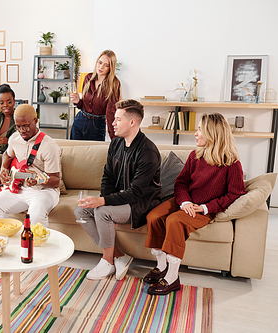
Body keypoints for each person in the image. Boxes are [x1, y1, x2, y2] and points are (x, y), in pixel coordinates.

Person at [144, 113, 245, 295]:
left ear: (212, 134)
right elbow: (181, 183)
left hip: (204, 210)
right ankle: (161, 267)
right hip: (185, 202)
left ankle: (172, 278)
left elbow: (235, 193)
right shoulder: (194, 155)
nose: (195, 134)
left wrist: (206, 208)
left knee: (174, 221)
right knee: (154, 216)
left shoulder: (231, 163)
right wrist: (184, 202)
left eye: (199, 130)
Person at [74, 99, 161, 280]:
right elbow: (108, 178)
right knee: (81, 211)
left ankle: (107, 262)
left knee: (103, 212)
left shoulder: (148, 152)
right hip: (119, 199)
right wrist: (103, 200)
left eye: (118, 119)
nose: (112, 123)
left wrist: (104, 202)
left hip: (140, 204)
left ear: (132, 122)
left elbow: (137, 192)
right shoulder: (115, 144)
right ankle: (119, 255)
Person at [0, 104, 61, 227]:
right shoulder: (14, 138)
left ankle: (40, 245)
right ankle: (10, 239)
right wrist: (3, 169)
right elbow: (7, 155)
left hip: (45, 191)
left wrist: (37, 179)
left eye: (26, 126)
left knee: (35, 214)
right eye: (18, 127)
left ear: (35, 121)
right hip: (20, 188)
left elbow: (56, 181)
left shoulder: (49, 146)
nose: (22, 131)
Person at [70, 50, 121, 141]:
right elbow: (82, 105)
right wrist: (78, 101)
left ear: (111, 67)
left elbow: (111, 113)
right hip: (79, 120)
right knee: (74, 152)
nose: (101, 67)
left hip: (97, 125)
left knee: (93, 154)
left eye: (106, 65)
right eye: (100, 62)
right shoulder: (88, 78)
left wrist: (115, 140)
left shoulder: (114, 84)